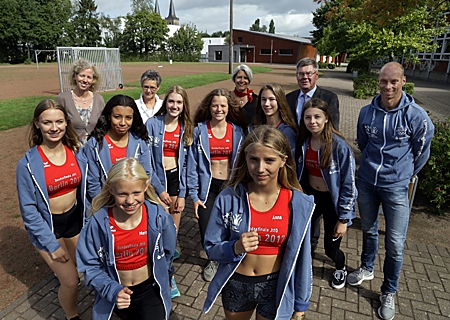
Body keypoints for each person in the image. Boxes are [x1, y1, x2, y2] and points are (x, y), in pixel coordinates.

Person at [347, 62, 434, 320]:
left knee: (395, 244)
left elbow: (422, 150)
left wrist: (405, 172)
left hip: (396, 187)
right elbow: (363, 143)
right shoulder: (366, 112)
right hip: (367, 183)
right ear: (379, 82)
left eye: (393, 81)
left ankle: (389, 291)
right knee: (368, 230)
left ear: (403, 81)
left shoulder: (416, 116)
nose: (388, 86)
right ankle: (366, 267)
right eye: (384, 81)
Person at [203, 125, 314, 320]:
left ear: (283, 161)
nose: (260, 168)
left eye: (269, 160)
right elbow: (211, 246)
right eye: (253, 159)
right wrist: (235, 247)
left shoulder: (298, 203)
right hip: (236, 282)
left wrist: (301, 303)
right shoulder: (229, 197)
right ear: (245, 159)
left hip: (274, 286)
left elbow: (303, 259)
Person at [76, 158, 176, 320]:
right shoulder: (97, 223)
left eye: (136, 192)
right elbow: (89, 265)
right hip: (118, 292)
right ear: (110, 190)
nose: (130, 201)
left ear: (145, 186)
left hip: (151, 290)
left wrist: (167, 276)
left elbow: (168, 252)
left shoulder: (159, 218)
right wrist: (112, 290)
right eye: (122, 194)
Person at [16, 99, 88, 320]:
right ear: (37, 124)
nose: (54, 127)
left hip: (74, 222)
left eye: (59, 121)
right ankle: (71, 314)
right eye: (47, 122)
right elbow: (29, 212)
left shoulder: (76, 152)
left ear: (66, 122)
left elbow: (88, 189)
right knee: (70, 281)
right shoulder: (27, 164)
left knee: (84, 271)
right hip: (49, 228)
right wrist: (51, 245)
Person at [296, 98, 357, 289]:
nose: (312, 121)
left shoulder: (339, 146)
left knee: (331, 248)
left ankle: (340, 267)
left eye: (317, 117)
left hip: (332, 201)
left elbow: (349, 184)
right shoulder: (303, 142)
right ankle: (306, 270)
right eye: (308, 117)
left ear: (327, 118)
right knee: (307, 240)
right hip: (311, 197)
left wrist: (344, 219)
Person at [187, 88, 246, 282]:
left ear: (229, 108)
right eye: (215, 105)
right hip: (208, 187)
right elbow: (193, 165)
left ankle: (227, 258)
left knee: (231, 225)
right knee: (207, 227)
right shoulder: (200, 131)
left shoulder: (237, 131)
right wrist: (194, 196)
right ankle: (213, 258)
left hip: (229, 186)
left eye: (223, 105)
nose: (218, 109)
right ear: (209, 107)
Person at [146, 85, 193, 296]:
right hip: (157, 182)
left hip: (176, 182)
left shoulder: (187, 128)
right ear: (165, 103)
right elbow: (146, 162)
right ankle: (168, 276)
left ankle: (168, 268)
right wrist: (159, 188)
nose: (174, 106)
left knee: (172, 233)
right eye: (171, 101)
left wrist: (182, 194)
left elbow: (188, 165)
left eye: (179, 102)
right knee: (161, 232)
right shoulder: (153, 124)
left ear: (184, 106)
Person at [83, 94, 152, 202]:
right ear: (109, 116)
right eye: (117, 117)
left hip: (133, 204)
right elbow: (93, 183)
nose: (123, 123)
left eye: (128, 118)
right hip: (106, 205)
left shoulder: (140, 142)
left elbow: (146, 174)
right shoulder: (94, 145)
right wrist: (107, 206)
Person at [56, 58, 105, 145]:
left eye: (89, 77)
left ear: (93, 80)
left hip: (95, 148)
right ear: (75, 76)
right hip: (71, 147)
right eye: (82, 76)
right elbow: (57, 125)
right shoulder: (63, 98)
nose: (85, 80)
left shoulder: (99, 99)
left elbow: (103, 125)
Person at [286, 57, 340, 129]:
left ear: (316, 75)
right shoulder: (289, 98)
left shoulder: (329, 98)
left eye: (309, 74)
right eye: (301, 74)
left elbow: (333, 128)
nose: (305, 77)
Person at [252, 82, 297, 153]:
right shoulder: (254, 128)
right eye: (263, 99)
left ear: (279, 101)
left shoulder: (287, 132)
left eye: (271, 99)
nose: (266, 104)